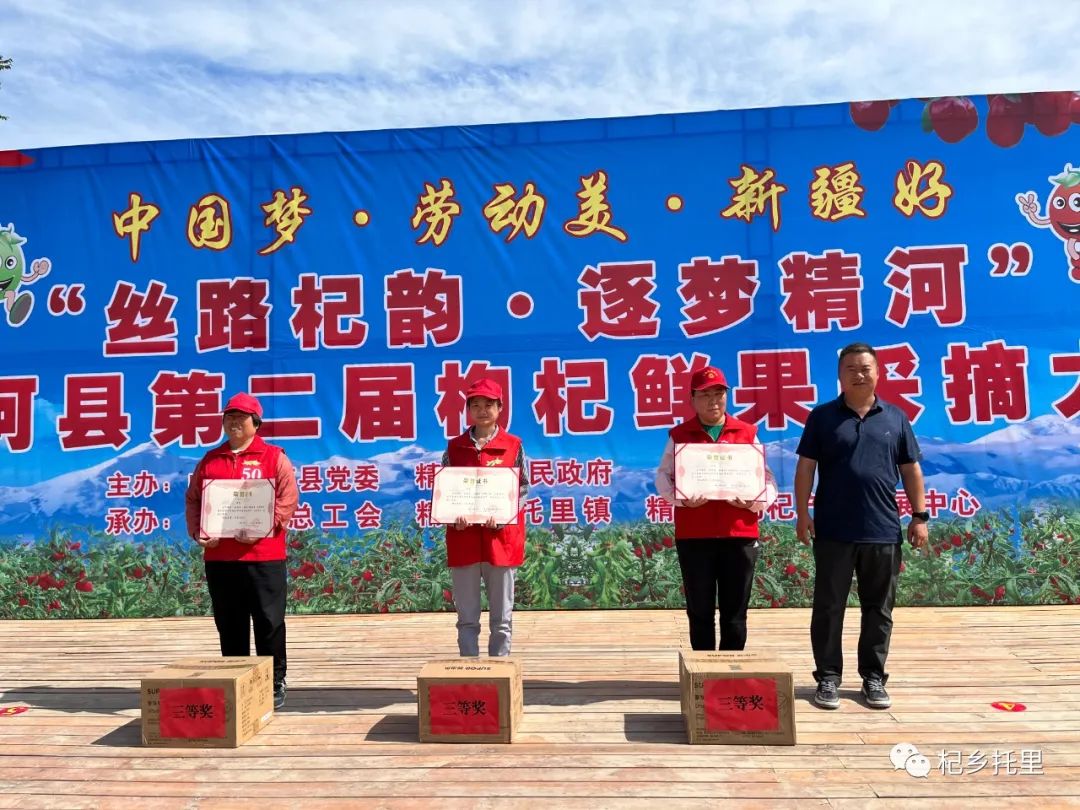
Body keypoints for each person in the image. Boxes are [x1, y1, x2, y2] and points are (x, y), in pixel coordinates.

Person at [794, 343, 928, 711]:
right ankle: (828, 677)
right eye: (850, 368)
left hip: (882, 529)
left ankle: (873, 677)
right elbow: (806, 468)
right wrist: (803, 514)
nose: (859, 374)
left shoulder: (896, 418)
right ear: (840, 375)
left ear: (878, 373)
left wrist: (919, 516)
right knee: (829, 607)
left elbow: (911, 469)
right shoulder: (822, 417)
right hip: (833, 530)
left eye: (865, 368)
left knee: (879, 609)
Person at [185, 393, 298, 709]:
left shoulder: (273, 457)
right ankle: (237, 679)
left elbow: (288, 498)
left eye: (241, 417)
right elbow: (194, 500)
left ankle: (273, 681)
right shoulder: (211, 460)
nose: (234, 422)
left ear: (256, 423)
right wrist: (198, 531)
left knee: (268, 621)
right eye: (229, 416)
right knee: (229, 622)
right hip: (221, 557)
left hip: (264, 555)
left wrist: (264, 526)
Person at [655, 365, 776, 651]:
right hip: (695, 535)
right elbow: (663, 476)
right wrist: (681, 499)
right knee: (700, 611)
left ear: (727, 396)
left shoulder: (746, 433)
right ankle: (702, 669)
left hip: (739, 534)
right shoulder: (680, 435)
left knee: (735, 612)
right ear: (692, 399)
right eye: (705, 395)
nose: (713, 401)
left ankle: (731, 669)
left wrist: (755, 502)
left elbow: (767, 479)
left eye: (719, 394)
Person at [441, 378, 528, 657]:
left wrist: (503, 515)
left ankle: (500, 671)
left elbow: (522, 488)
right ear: (468, 410)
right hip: (464, 539)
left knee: (501, 618)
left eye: (488, 405)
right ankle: (469, 669)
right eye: (475, 405)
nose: (482, 411)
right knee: (466, 618)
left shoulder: (513, 445)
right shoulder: (454, 447)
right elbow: (445, 491)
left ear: (500, 408)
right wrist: (452, 517)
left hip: (500, 540)